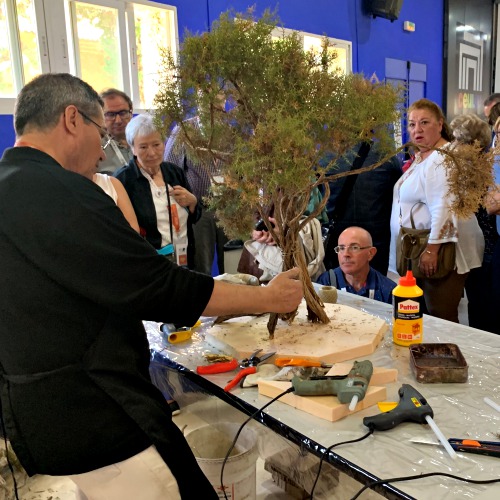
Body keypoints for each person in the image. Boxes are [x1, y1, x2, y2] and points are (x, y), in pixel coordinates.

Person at [0, 73, 303, 500]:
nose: (103, 151)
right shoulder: (65, 193)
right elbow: (159, 287)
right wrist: (267, 297)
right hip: (99, 411)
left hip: (36, 413)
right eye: (102, 135)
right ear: (72, 119)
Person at [389, 99, 484, 323]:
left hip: (438, 249)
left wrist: (432, 250)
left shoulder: (443, 158)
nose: (417, 129)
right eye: (411, 124)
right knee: (427, 313)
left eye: (424, 122)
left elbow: (442, 206)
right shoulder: (425, 156)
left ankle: (446, 356)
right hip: (418, 246)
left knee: (441, 314)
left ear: (440, 124)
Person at [115, 114, 201, 269]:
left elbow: (194, 216)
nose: (152, 153)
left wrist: (193, 202)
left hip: (184, 256)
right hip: (150, 263)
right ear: (132, 148)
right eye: (143, 147)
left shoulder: (174, 172)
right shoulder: (124, 180)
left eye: (156, 144)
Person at [450, 114, 498, 332]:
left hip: (485, 244)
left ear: (473, 144)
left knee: (485, 301)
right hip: (473, 243)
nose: (453, 145)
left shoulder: (482, 168)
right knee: (476, 300)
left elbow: (489, 206)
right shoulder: (463, 167)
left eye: (460, 140)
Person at [322, 144, 402, 275]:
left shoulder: (326, 157)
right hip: (375, 241)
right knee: (375, 285)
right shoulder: (385, 156)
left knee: (337, 285)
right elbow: (397, 194)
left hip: (337, 240)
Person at [164, 117, 228, 275]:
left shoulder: (229, 130)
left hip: (228, 208)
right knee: (201, 266)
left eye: (219, 92)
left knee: (231, 261)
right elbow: (170, 169)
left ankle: (233, 298)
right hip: (200, 209)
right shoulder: (184, 131)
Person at [316, 227, 396, 304]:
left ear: (370, 253)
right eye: (341, 248)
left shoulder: (388, 290)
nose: (346, 254)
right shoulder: (325, 282)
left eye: (354, 248)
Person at [97, 88, 134, 173]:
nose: (118, 121)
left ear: (131, 112)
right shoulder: (96, 148)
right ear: (100, 116)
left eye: (123, 113)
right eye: (110, 114)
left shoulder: (142, 140)